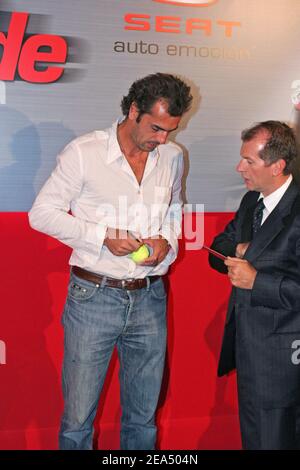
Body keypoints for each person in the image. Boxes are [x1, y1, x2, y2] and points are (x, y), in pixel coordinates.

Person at [29, 73, 193, 450]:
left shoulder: (172, 157)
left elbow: (175, 209)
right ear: (133, 111)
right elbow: (41, 214)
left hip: (151, 298)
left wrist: (165, 242)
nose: (162, 139)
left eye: (171, 130)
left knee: (143, 418)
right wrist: (103, 236)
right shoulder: (84, 152)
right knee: (77, 421)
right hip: (94, 297)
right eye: (155, 128)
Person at [208, 121, 300, 450]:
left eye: (249, 161)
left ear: (277, 166)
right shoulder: (251, 202)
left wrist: (257, 281)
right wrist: (239, 248)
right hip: (248, 348)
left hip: (285, 356)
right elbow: (217, 250)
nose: (239, 167)